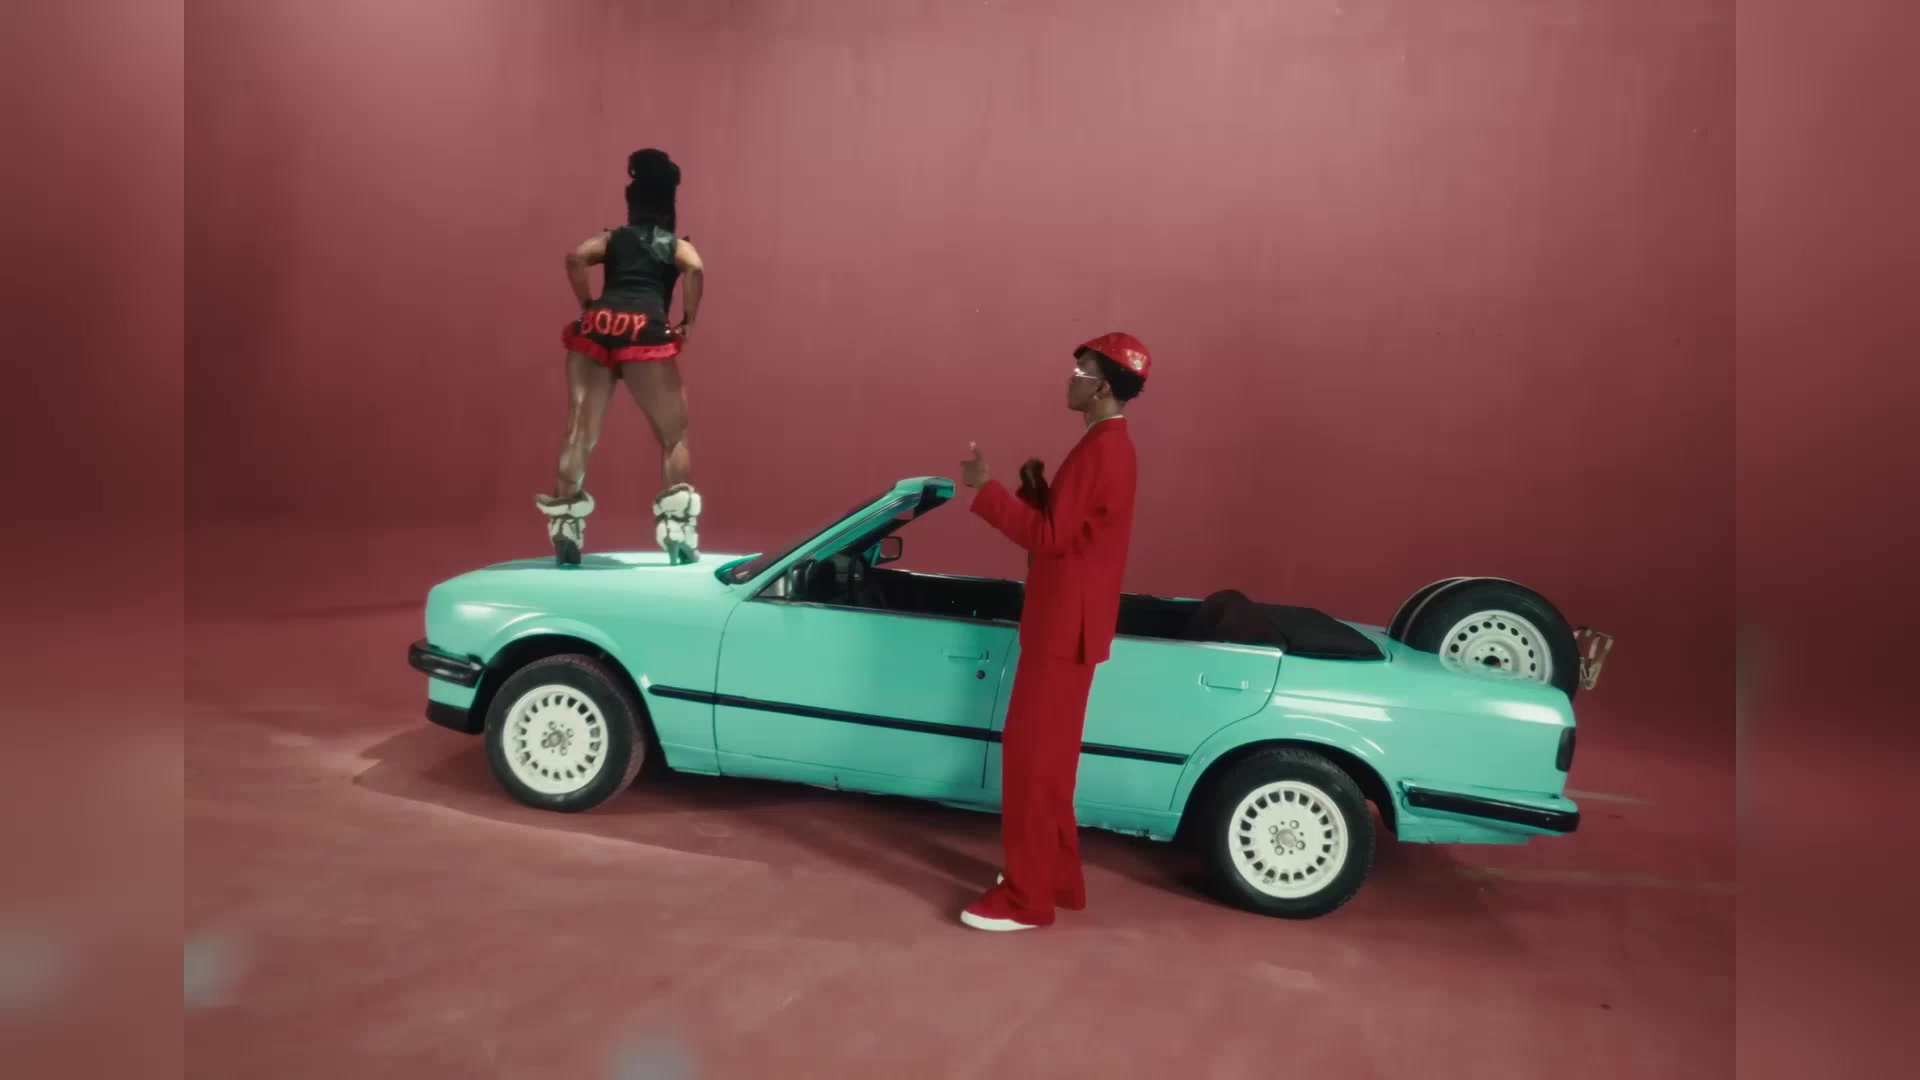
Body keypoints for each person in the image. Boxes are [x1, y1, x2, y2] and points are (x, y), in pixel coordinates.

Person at [956, 331, 1151, 931]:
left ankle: (1027, 898)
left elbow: (1049, 539)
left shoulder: (1101, 451)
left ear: (1103, 387)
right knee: (1052, 765)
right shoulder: (1106, 446)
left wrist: (986, 491)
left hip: (1062, 629)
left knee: (1032, 764)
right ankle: (1058, 879)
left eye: (1082, 370)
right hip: (1072, 628)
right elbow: (1075, 529)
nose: (1071, 377)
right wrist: (1038, 493)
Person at [535, 148, 707, 565]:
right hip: (645, 329)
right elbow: (695, 268)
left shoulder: (613, 239)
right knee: (673, 435)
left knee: (579, 430)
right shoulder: (673, 245)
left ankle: (565, 523)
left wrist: (587, 303)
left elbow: (576, 256)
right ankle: (677, 528)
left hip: (597, 327)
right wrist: (688, 320)